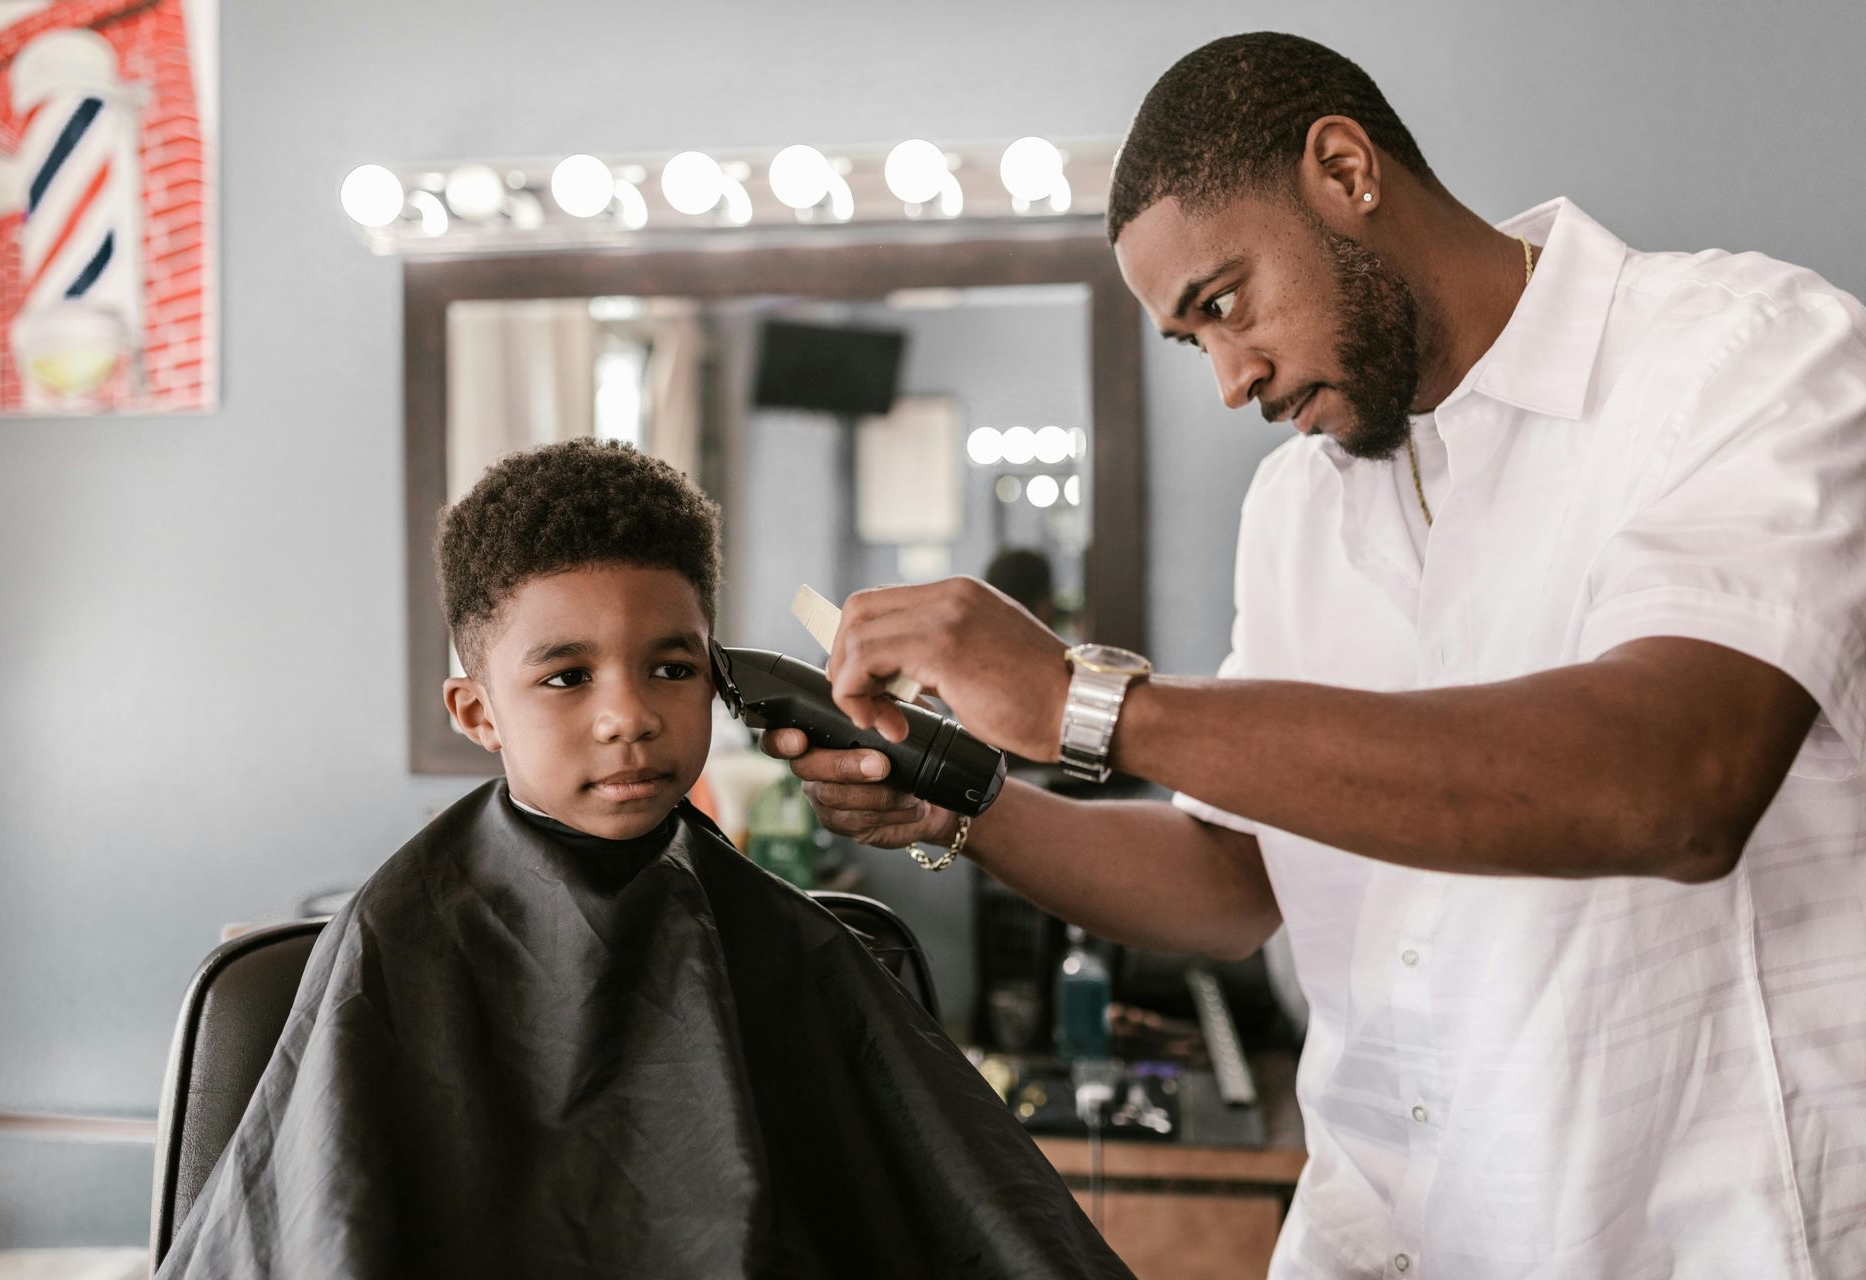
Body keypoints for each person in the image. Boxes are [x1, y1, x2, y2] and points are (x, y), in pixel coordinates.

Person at [767, 32, 1866, 1279]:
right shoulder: (1298, 510)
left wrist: (1083, 698)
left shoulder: (1742, 354)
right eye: (1191, 343)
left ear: (1344, 169)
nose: (1231, 382)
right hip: (1386, 1234)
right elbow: (1240, 878)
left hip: (1688, 1236)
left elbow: (1671, 784)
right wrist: (961, 800)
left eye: (1222, 303)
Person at [160, 439, 1127, 1280]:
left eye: (673, 669)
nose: (628, 715)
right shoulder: (396, 939)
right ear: (477, 712)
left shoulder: (792, 945)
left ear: (723, 678)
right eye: (567, 677)